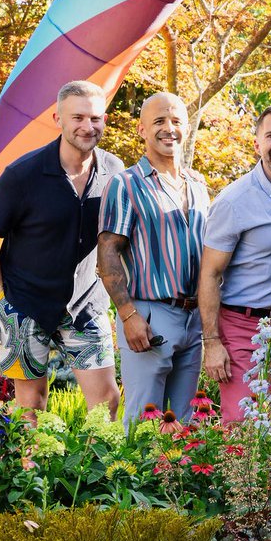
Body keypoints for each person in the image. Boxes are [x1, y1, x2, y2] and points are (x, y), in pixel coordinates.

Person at [0, 80, 123, 419]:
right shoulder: (23, 174)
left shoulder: (115, 171)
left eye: (96, 118)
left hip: (85, 306)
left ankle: (101, 471)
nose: (88, 126)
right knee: (31, 405)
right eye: (78, 117)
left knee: (107, 401)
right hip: (24, 304)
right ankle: (31, 471)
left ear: (105, 120)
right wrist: (0, 296)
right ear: (58, 118)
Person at [97, 92, 210, 426]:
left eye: (176, 121)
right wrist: (128, 315)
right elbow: (108, 254)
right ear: (142, 129)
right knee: (144, 420)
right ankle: (132, 480)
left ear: (186, 128)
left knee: (183, 421)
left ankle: (176, 480)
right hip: (149, 316)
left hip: (193, 318)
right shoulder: (125, 184)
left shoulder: (198, 184)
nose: (169, 128)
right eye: (159, 121)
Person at [198, 104, 271, 423]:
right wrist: (212, 343)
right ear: (257, 144)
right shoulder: (234, 201)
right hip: (242, 328)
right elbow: (209, 274)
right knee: (242, 429)